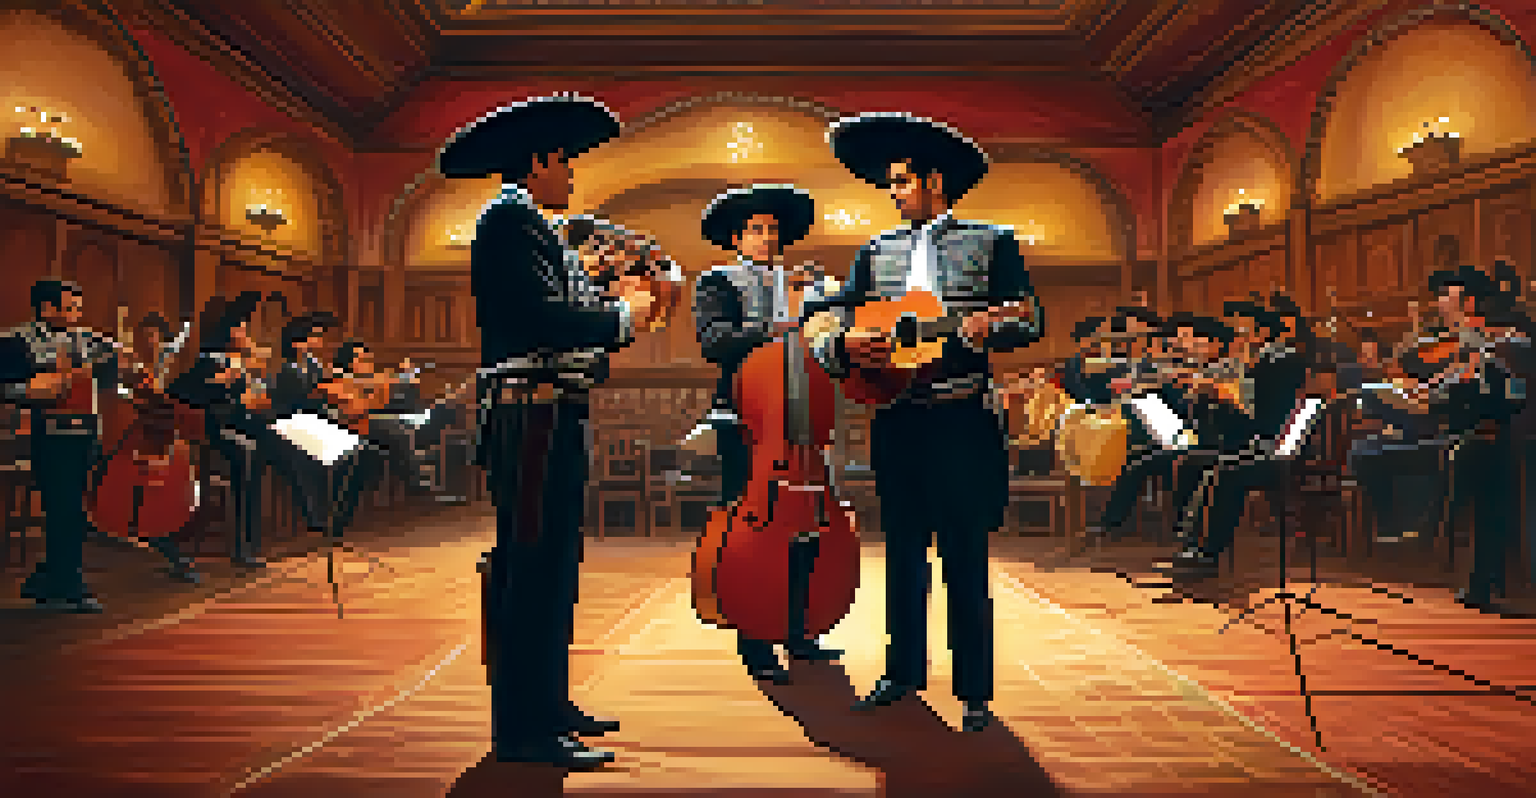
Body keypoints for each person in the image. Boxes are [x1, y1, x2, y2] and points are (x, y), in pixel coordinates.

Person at [441, 93, 662, 768]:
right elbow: (545, 320)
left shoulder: (531, 223)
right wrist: (628, 314)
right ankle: (522, 730)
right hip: (528, 414)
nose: (570, 174)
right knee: (531, 570)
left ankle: (548, 702)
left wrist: (607, 312)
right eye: (563, 161)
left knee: (555, 568)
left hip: (551, 409)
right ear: (537, 161)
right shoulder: (509, 220)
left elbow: (565, 318)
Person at [810, 111, 1043, 732]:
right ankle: (901, 672)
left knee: (965, 555)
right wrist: (840, 347)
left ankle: (974, 692)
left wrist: (992, 325)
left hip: (963, 417)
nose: (893, 192)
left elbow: (1031, 319)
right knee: (903, 552)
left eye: (902, 180)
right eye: (890, 182)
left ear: (935, 180)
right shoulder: (874, 252)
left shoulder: (992, 243)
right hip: (897, 419)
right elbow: (831, 321)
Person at [693, 183, 842, 684]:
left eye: (773, 230)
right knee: (752, 534)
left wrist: (822, 314)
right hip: (745, 416)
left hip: (800, 419)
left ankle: (800, 630)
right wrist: (777, 329)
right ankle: (754, 639)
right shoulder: (718, 281)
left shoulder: (801, 284)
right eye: (756, 229)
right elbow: (715, 343)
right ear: (737, 237)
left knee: (806, 531)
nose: (766, 237)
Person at [1, 279, 121, 611]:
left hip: (86, 433)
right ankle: (69, 585)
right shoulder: (16, 341)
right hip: (44, 434)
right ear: (46, 308)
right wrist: (32, 391)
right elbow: (7, 387)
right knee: (64, 507)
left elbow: (112, 376)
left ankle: (49, 577)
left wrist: (120, 362)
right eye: (70, 308)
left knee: (75, 508)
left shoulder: (90, 340)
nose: (77, 315)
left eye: (79, 308)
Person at [168, 292, 272, 568]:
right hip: (214, 432)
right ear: (228, 332)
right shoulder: (212, 361)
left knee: (269, 443)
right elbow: (184, 395)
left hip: (242, 426)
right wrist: (226, 387)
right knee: (248, 452)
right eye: (241, 328)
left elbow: (255, 398)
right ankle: (242, 545)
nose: (246, 334)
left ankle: (253, 539)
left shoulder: (238, 362)